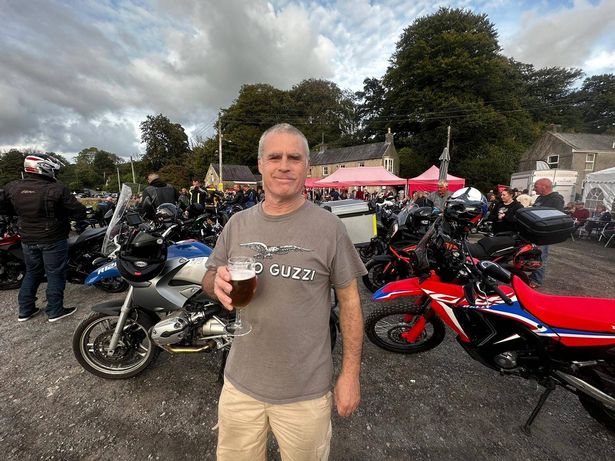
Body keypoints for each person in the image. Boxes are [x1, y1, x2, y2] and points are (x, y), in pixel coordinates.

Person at [202, 123, 366, 460]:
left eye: (294, 158)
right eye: (274, 157)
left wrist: (350, 374)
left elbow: (350, 302)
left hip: (305, 393)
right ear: (260, 165)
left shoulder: (330, 228)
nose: (284, 166)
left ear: (307, 166)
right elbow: (209, 276)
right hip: (240, 385)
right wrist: (214, 283)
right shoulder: (237, 223)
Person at [4, 154, 86, 322]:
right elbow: (78, 211)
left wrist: (19, 216)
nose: (56, 173)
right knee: (55, 274)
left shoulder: (13, 186)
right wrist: (68, 216)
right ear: (44, 168)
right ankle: (55, 311)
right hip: (52, 238)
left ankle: (25, 310)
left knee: (32, 272)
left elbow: (3, 207)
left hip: (27, 238)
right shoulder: (56, 188)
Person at [529, 178, 564, 289]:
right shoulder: (540, 197)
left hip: (544, 233)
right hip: (535, 231)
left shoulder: (556, 199)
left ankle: (537, 280)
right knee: (533, 255)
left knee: (541, 256)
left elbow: (556, 217)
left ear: (544, 186)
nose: (534, 189)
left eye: (536, 186)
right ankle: (533, 275)